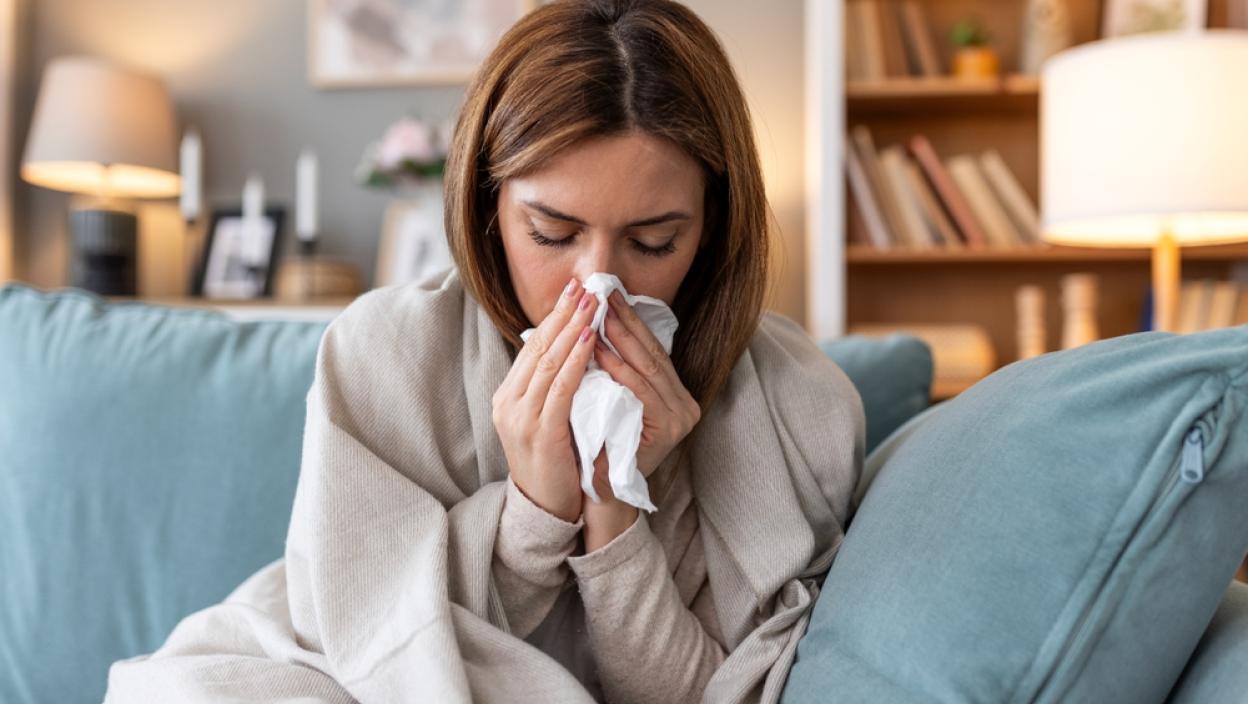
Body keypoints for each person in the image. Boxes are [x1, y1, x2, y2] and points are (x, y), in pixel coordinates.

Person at [105, 1, 863, 702]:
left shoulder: (795, 404)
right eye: (552, 234)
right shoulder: (381, 353)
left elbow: (712, 693)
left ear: (712, 228)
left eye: (654, 241)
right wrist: (534, 512)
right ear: (487, 205)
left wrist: (613, 506)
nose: (598, 285)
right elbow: (369, 646)